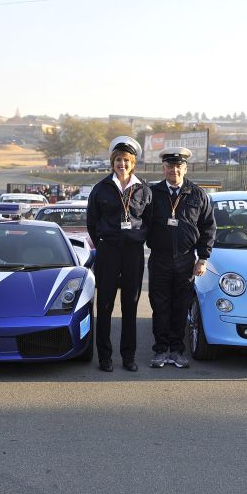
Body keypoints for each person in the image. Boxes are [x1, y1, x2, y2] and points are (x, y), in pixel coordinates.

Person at [86, 136, 152, 372]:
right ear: (112, 162)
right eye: (117, 160)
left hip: (133, 254)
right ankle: (105, 357)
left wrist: (138, 239)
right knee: (104, 306)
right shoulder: (100, 188)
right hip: (109, 253)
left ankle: (128, 356)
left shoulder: (143, 189)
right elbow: (92, 222)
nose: (121, 164)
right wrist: (104, 244)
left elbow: (149, 221)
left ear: (132, 163)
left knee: (130, 306)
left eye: (126, 160)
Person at [146, 147, 216, 368]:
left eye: (178, 166)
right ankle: (160, 350)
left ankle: (176, 350)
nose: (174, 170)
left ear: (185, 168)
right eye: (169, 166)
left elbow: (208, 228)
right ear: (164, 168)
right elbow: (143, 224)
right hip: (160, 259)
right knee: (160, 306)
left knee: (180, 306)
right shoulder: (152, 193)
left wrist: (202, 258)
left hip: (186, 260)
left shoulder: (197, 194)